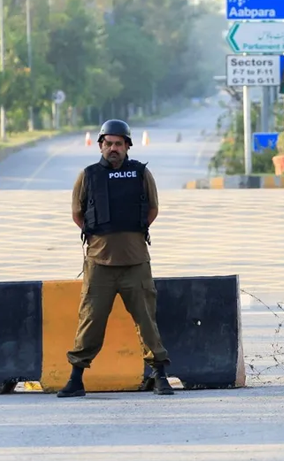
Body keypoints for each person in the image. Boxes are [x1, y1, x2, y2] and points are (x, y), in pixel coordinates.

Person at [58, 119, 173, 398]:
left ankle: (160, 375)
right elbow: (77, 213)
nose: (113, 148)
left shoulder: (141, 174)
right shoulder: (88, 176)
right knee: (91, 320)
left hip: (135, 263)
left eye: (118, 144)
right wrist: (99, 235)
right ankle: (76, 378)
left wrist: (130, 234)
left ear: (127, 146)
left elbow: (153, 209)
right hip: (99, 264)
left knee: (146, 320)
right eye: (108, 143)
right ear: (100, 145)